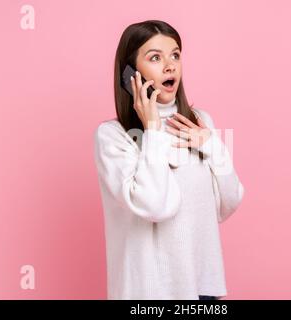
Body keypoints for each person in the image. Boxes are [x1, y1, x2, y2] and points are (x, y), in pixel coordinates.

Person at [94, 20, 244, 300]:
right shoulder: (113, 136)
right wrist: (152, 129)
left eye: (175, 55)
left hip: (203, 290)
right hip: (150, 294)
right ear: (131, 75)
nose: (170, 65)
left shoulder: (199, 123)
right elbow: (157, 207)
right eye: (155, 57)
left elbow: (229, 202)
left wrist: (212, 145)